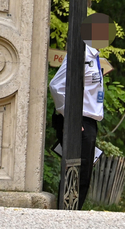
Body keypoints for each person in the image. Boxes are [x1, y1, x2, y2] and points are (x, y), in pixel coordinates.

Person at [49, 13, 116, 210]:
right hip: (78, 121)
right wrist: (71, 117)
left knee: (84, 172)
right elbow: (57, 86)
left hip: (88, 122)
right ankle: (66, 213)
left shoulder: (92, 55)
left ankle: (72, 212)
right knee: (76, 171)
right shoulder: (81, 54)